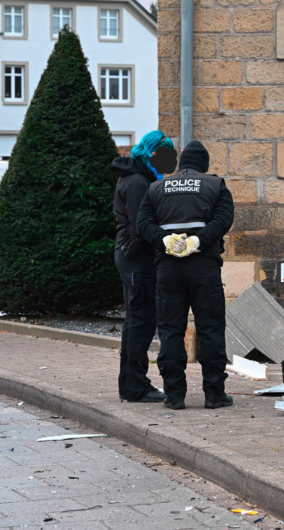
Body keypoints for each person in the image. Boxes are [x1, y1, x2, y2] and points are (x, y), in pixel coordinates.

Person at [136, 140, 234, 410]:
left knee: (170, 330)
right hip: (205, 267)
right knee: (211, 329)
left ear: (181, 163)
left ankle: (174, 395)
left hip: (168, 268)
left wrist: (165, 240)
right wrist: (197, 241)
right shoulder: (215, 185)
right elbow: (223, 220)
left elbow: (142, 223)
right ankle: (214, 395)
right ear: (204, 164)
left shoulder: (156, 187)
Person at [111, 130, 178, 403]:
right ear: (153, 153)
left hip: (131, 256)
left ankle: (131, 385)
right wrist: (169, 241)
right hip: (136, 257)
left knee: (136, 321)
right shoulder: (139, 182)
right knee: (141, 322)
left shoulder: (137, 177)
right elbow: (141, 228)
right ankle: (136, 386)